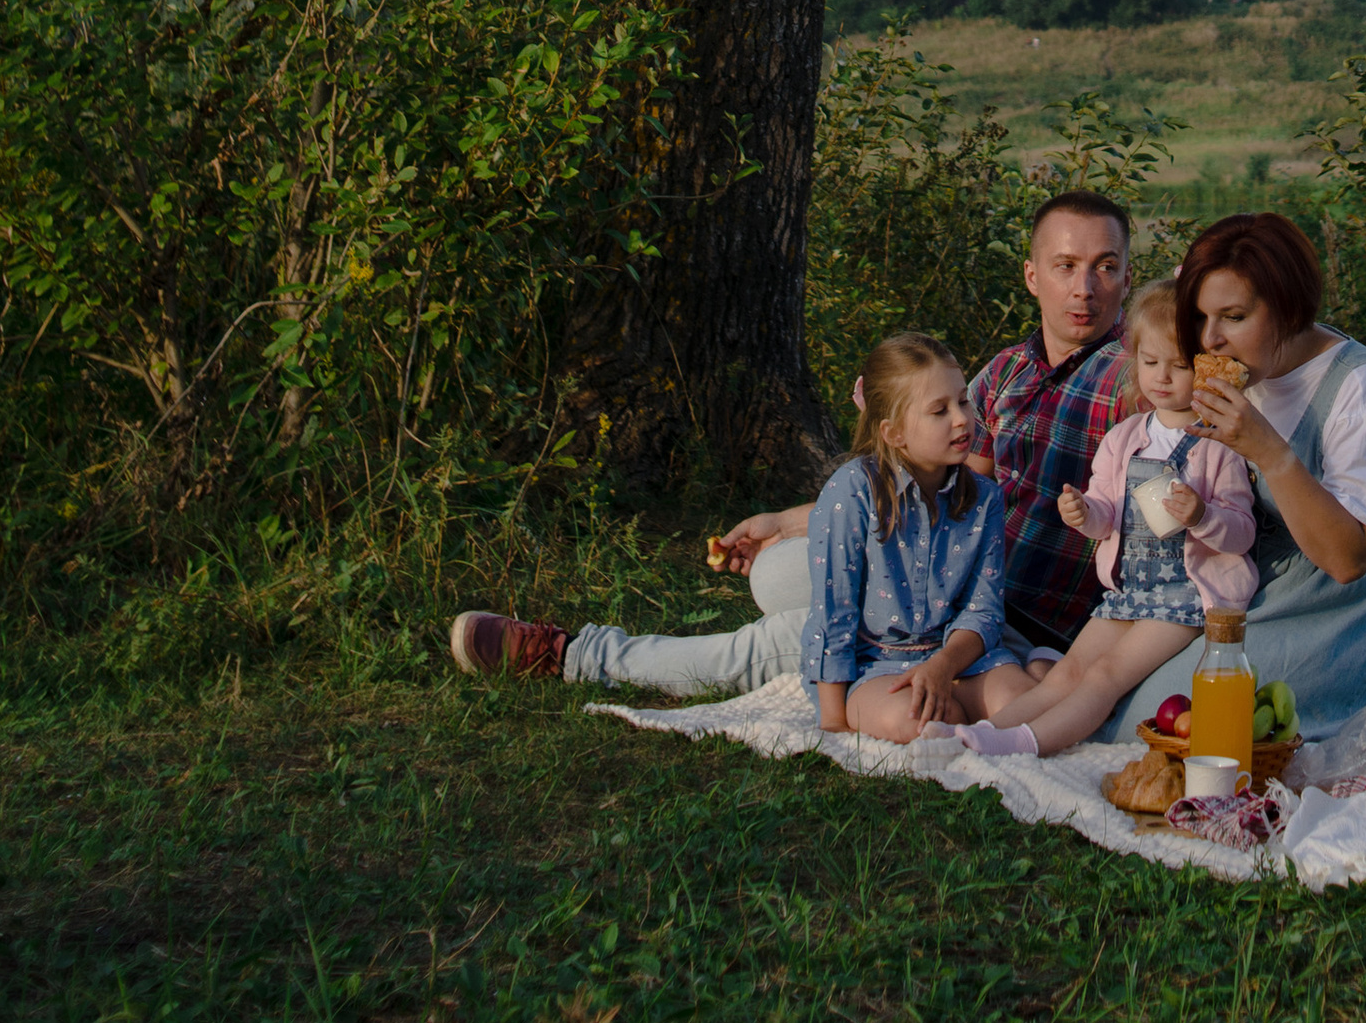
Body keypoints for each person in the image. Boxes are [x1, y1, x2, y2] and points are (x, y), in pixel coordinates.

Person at [444, 192, 1132, 693]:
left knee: (783, 637)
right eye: (1066, 266)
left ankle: (571, 655)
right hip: (933, 577)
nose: (1085, 288)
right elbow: (918, 486)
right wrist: (782, 521)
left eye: (1105, 267)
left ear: (1128, 275)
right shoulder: (1007, 372)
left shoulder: (1135, 378)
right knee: (779, 571)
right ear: (1032, 276)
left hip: (1008, 623)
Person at [1101, 209, 1366, 741]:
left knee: (1177, 722)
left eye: (1233, 317)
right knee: (1129, 710)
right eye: (1201, 317)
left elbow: (1349, 559)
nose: (1209, 339)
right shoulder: (1238, 370)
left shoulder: (1360, 392)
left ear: (1287, 308)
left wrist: (1271, 453)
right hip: (1246, 581)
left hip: (1340, 608)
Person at [930, 277, 1258, 760]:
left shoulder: (1218, 446)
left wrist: (1203, 515)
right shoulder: (1125, 438)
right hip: (1129, 589)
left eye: (1179, 366)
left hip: (1187, 596)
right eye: (1150, 363)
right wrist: (1085, 513)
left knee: (1104, 677)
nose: (1162, 377)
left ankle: (1027, 742)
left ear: (1205, 370)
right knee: (1067, 671)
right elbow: (1108, 515)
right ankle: (990, 729)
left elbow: (1242, 531)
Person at [800, 329, 1025, 741]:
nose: (961, 419)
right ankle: (953, 718)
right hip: (878, 665)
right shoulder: (850, 492)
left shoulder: (985, 498)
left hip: (958, 662)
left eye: (963, 401)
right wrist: (833, 723)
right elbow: (834, 610)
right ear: (893, 433)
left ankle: (981, 705)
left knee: (1027, 705)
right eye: (938, 411)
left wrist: (942, 667)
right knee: (923, 721)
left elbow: (984, 609)